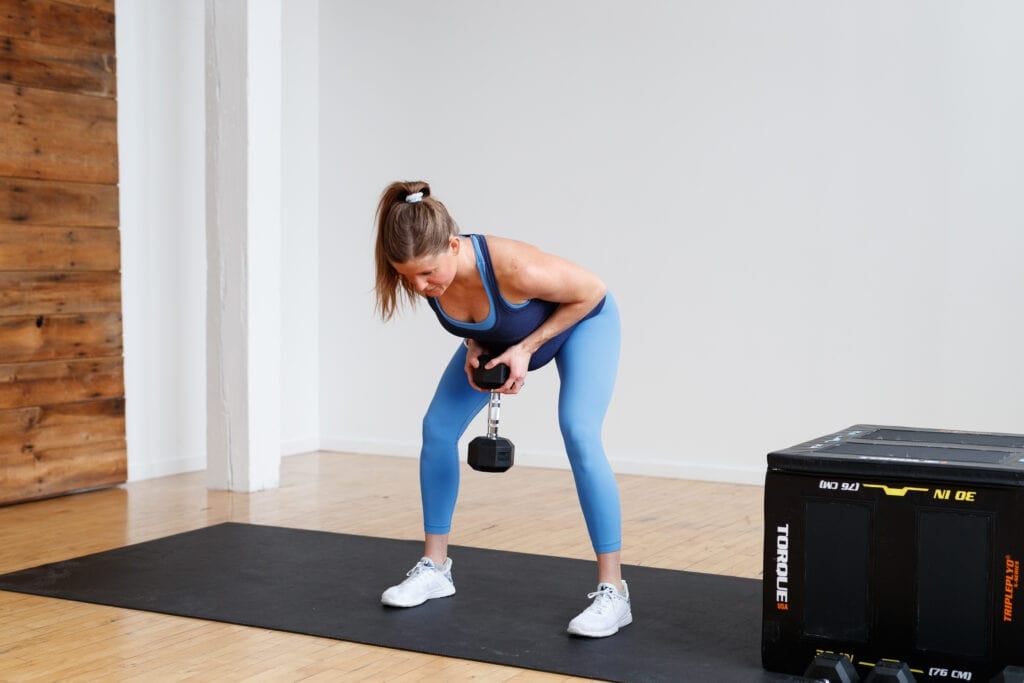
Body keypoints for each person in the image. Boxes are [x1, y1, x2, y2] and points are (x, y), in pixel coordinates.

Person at [373, 180, 630, 638]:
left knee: (579, 432)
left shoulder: (513, 265)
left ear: (454, 245)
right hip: (507, 340)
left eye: (428, 273)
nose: (419, 285)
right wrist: (474, 343)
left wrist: (527, 348)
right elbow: (475, 318)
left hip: (582, 323)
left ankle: (614, 592)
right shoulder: (428, 275)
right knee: (437, 428)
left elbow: (592, 290)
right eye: (407, 275)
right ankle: (435, 568)